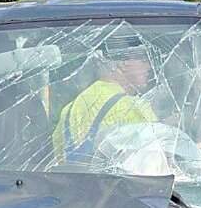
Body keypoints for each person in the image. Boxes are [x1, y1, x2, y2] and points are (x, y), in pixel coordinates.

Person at [53, 27, 158, 164]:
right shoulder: (134, 107)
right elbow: (155, 161)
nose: (149, 67)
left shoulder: (70, 108)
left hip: (73, 184)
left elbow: (59, 158)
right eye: (144, 60)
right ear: (124, 63)